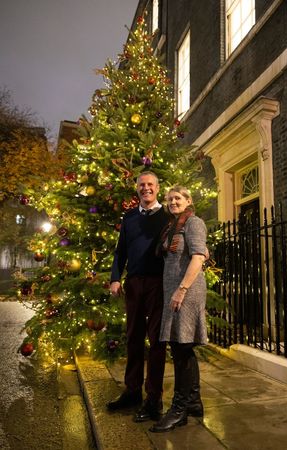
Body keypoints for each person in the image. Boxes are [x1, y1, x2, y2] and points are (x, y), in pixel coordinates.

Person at [107, 171, 170, 423]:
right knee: (133, 337)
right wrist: (115, 277)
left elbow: (184, 236)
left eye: (150, 185)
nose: (146, 189)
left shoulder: (169, 215)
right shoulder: (130, 217)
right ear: (137, 189)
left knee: (156, 341)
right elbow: (120, 251)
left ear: (157, 188)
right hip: (133, 284)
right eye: (142, 185)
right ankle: (132, 391)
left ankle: (153, 398)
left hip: (159, 284)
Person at [149, 185, 207, 433]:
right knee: (182, 347)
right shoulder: (172, 226)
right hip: (174, 291)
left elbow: (198, 257)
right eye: (170, 199)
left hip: (187, 291)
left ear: (188, 200)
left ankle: (179, 409)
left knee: (181, 346)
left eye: (178, 198)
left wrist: (182, 289)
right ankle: (193, 402)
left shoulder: (193, 223)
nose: (173, 202)